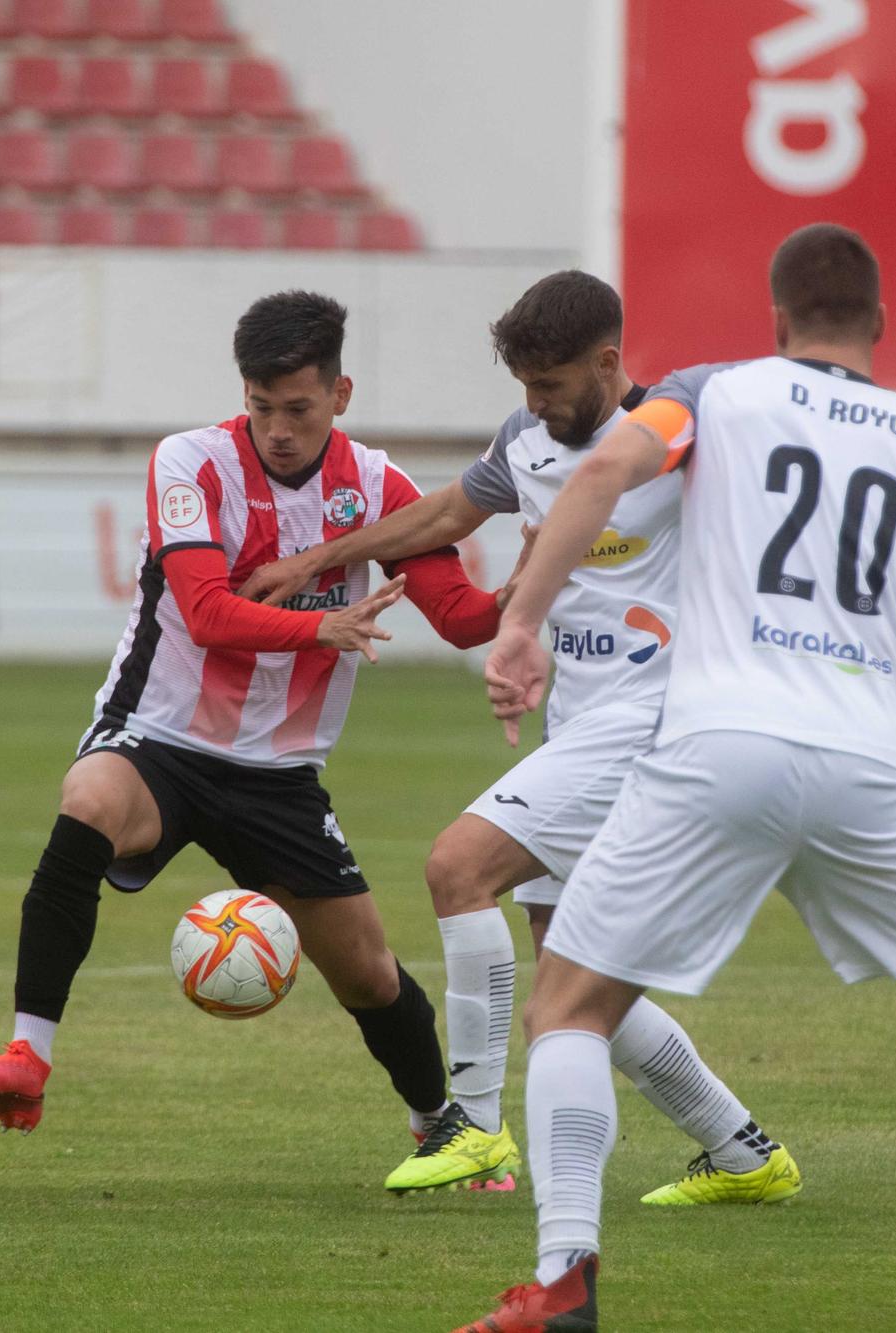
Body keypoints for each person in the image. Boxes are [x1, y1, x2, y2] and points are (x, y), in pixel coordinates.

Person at [456, 224, 896, 1331]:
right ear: (879, 326)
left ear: (775, 321)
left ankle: (563, 1281)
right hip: (868, 759)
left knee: (567, 1004)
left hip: (718, 740)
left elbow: (611, 467)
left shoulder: (716, 392)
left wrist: (519, 621)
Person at [244, 271, 809, 1203]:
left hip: (662, 717)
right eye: (524, 388)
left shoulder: (679, 429)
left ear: (608, 362)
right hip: (583, 721)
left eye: (549, 386)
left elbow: (811, 474)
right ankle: (743, 1150)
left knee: (456, 866)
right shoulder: (527, 439)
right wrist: (314, 560)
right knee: (569, 975)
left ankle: (472, 1125)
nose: (535, 405)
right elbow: (442, 516)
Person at [0, 291, 508, 1150]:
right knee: (89, 800)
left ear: (341, 395)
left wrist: (547, 571)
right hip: (161, 738)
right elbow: (206, 614)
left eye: (298, 409)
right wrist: (322, 624)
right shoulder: (191, 465)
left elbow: (465, 618)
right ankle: (29, 1054)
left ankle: (442, 1127)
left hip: (280, 773)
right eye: (260, 406)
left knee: (366, 972)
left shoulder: (375, 486)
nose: (277, 428)